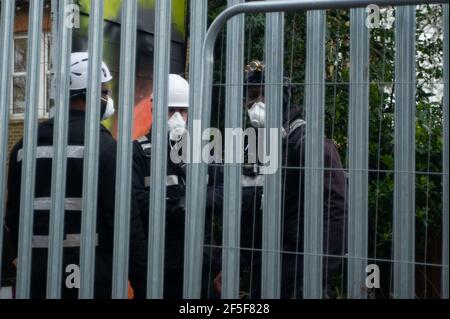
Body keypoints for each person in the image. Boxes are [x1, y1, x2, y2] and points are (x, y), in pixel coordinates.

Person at [5, 52, 148, 299]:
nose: (107, 98)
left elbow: (14, 220)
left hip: (36, 276)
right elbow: (124, 225)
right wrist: (143, 282)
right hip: (91, 276)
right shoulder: (105, 148)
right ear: (89, 94)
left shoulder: (23, 147)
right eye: (104, 91)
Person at [240, 60, 348, 298]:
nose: (257, 103)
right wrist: (236, 264)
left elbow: (336, 211)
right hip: (263, 266)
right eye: (252, 96)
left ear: (284, 96)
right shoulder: (254, 147)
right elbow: (250, 211)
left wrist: (318, 274)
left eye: (265, 95)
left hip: (299, 268)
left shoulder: (309, 144)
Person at [132, 74, 223, 298]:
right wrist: (174, 207)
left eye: (182, 111)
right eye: (170, 110)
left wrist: (193, 202)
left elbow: (223, 193)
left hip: (201, 261)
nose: (177, 118)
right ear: (155, 110)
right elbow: (133, 200)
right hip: (159, 262)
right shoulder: (138, 153)